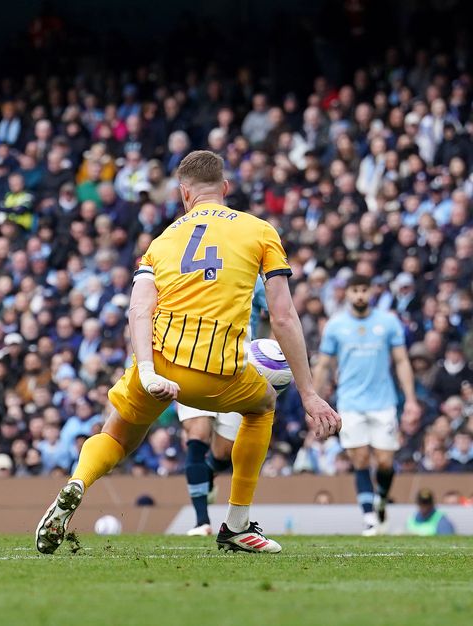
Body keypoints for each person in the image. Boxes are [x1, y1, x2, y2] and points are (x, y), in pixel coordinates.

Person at [34, 151, 340, 554]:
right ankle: (236, 525)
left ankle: (78, 482)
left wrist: (146, 371)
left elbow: (139, 309)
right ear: (225, 188)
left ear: (183, 194)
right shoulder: (260, 231)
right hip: (220, 374)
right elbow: (282, 316)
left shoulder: (162, 240)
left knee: (116, 436)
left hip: (161, 363)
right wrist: (308, 394)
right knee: (263, 405)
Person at [314, 274, 421, 535]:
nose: (360, 295)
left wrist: (410, 400)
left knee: (385, 462)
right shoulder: (336, 326)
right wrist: (314, 401)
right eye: (355, 290)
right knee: (360, 458)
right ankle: (370, 517)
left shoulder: (388, 322)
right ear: (347, 293)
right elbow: (324, 365)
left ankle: (381, 499)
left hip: (383, 402)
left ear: (371, 292)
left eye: (364, 289)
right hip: (350, 402)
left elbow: (401, 361)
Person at [182, 276, 268, 536]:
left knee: (223, 453)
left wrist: (268, 352)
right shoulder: (189, 267)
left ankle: (205, 475)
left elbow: (275, 312)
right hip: (192, 362)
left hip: (237, 368)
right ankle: (201, 522)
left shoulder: (253, 277)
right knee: (197, 433)